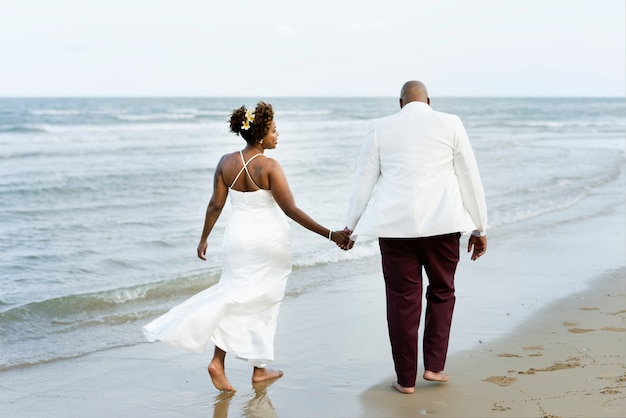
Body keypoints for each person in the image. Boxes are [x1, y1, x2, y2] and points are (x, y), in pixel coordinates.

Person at [143, 101, 350, 392]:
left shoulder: (225, 162)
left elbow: (215, 204)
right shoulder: (270, 166)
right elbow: (290, 209)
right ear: (260, 135)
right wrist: (331, 235)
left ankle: (258, 367)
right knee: (262, 300)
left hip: (236, 239)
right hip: (268, 241)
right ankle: (229, 363)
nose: (278, 135)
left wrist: (204, 238)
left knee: (238, 295)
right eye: (274, 130)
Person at [343, 81, 488, 394]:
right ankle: (434, 367)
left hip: (396, 230)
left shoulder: (380, 128)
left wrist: (350, 227)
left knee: (402, 302)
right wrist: (480, 227)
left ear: (400, 103)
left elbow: (363, 181)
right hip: (444, 226)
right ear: (429, 101)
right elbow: (469, 177)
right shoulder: (451, 124)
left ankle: (406, 380)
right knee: (442, 291)